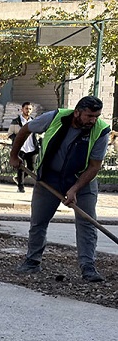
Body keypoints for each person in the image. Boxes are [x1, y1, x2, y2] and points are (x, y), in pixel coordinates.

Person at [9, 95, 110, 282]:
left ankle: (88, 267)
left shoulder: (101, 131)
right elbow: (25, 130)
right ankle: (32, 261)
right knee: (39, 221)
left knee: (87, 223)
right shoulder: (55, 117)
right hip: (49, 179)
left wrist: (75, 189)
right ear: (77, 112)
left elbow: (95, 166)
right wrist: (14, 155)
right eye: (89, 116)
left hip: (82, 180)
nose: (93, 120)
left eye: (96, 116)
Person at [9, 101, 40, 193]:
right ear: (22, 109)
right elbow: (10, 134)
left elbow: (37, 133)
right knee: (21, 167)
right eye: (26, 109)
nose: (28, 111)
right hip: (21, 148)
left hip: (31, 148)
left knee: (31, 167)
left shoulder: (34, 121)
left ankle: (18, 179)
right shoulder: (16, 122)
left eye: (30, 109)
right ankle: (21, 186)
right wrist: (16, 141)